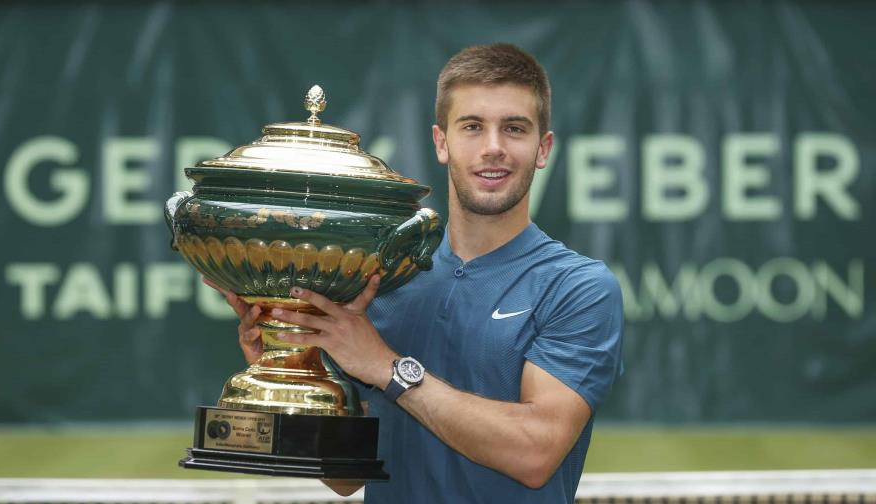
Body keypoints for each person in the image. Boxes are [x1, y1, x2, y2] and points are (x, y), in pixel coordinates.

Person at [209, 43, 623, 503]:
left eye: (514, 129)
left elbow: (534, 454)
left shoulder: (578, 287)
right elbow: (346, 476)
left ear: (542, 148)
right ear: (441, 142)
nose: (493, 148)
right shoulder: (379, 278)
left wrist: (388, 368)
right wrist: (288, 368)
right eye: (472, 127)